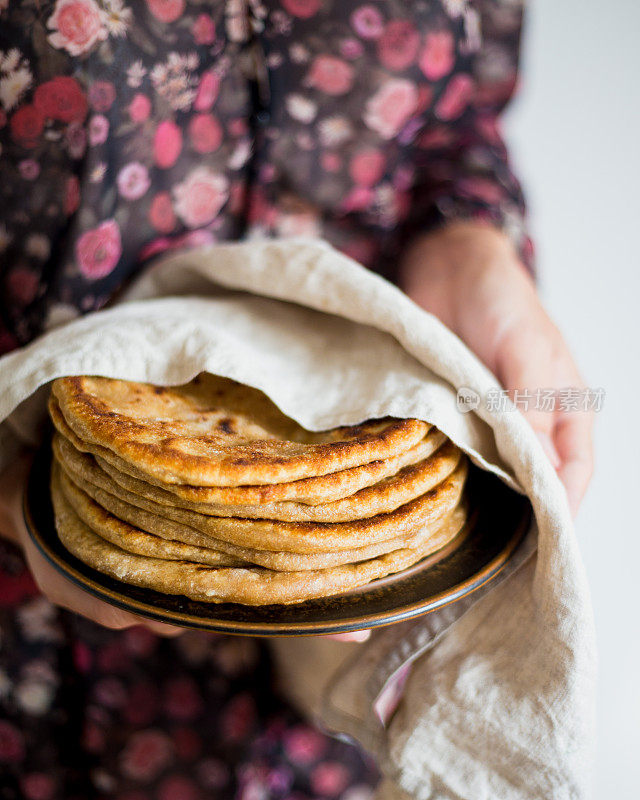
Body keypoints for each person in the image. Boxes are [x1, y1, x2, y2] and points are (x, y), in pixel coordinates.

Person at [0, 1, 593, 797]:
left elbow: (459, 120)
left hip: (329, 690)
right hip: (29, 676)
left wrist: (467, 236)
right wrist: (24, 490)